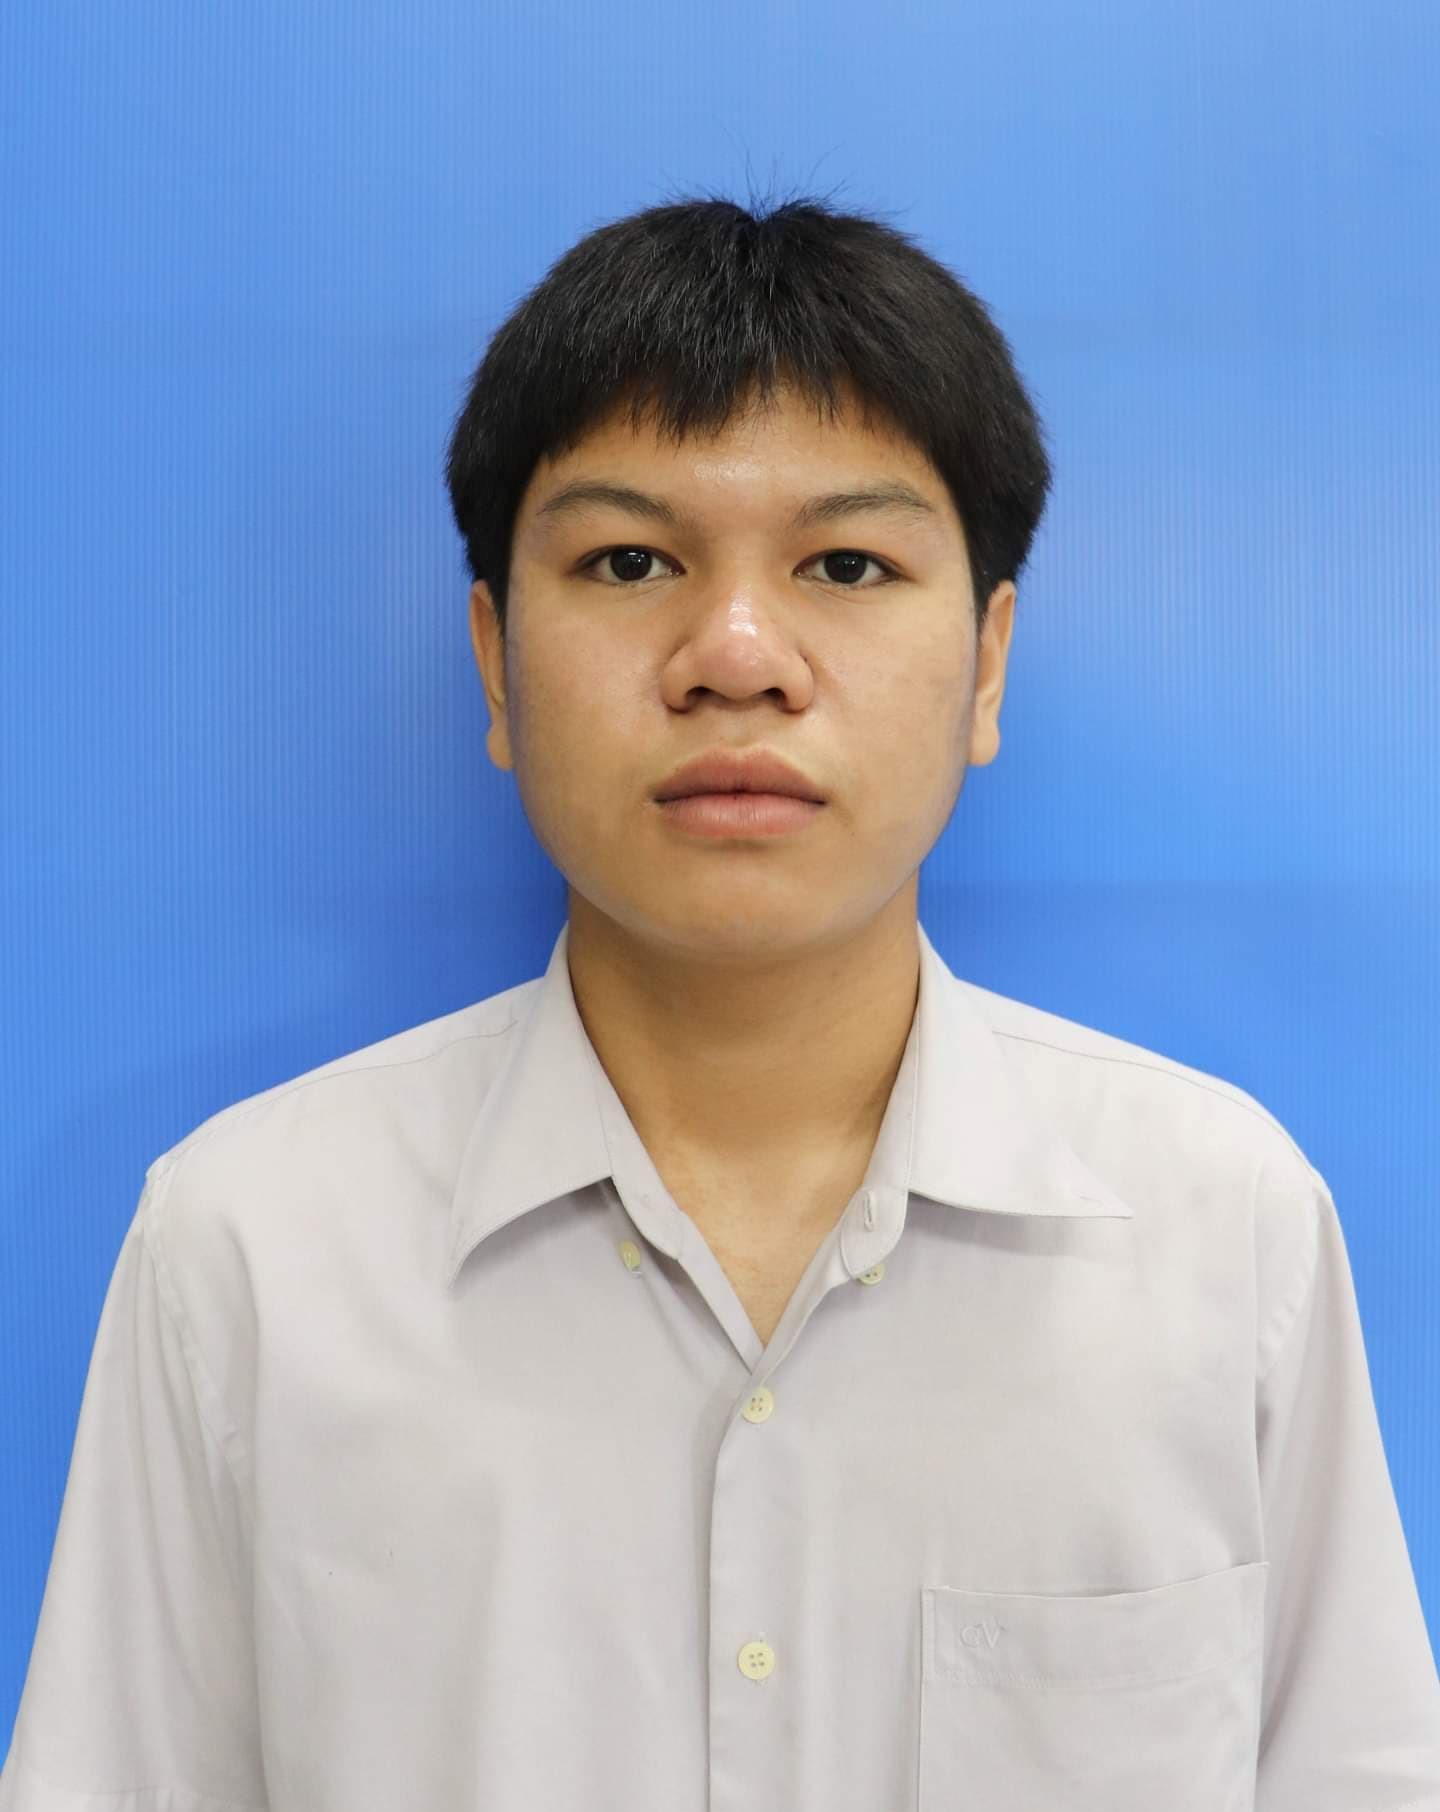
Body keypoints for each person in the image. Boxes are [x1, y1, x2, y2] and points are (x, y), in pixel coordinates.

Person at [3, 191, 1437, 1812]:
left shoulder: (1218, 1228)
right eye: (630, 560)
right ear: (496, 660)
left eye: (846, 563)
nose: (737, 655)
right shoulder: (254, 1249)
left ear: (986, 665)